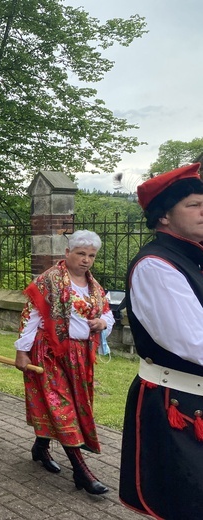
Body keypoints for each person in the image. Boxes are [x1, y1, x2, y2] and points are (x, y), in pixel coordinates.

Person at [119, 163, 203, 519]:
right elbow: (194, 341)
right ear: (164, 216)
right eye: (194, 205)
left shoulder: (193, 258)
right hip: (180, 404)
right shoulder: (156, 265)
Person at [14, 230, 114, 495]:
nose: (86, 260)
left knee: (69, 404)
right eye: (81, 254)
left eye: (91, 255)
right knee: (62, 407)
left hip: (80, 357)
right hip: (49, 352)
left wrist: (102, 323)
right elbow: (31, 315)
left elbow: (107, 312)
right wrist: (22, 351)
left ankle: (41, 446)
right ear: (67, 252)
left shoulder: (94, 286)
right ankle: (81, 472)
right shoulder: (50, 280)